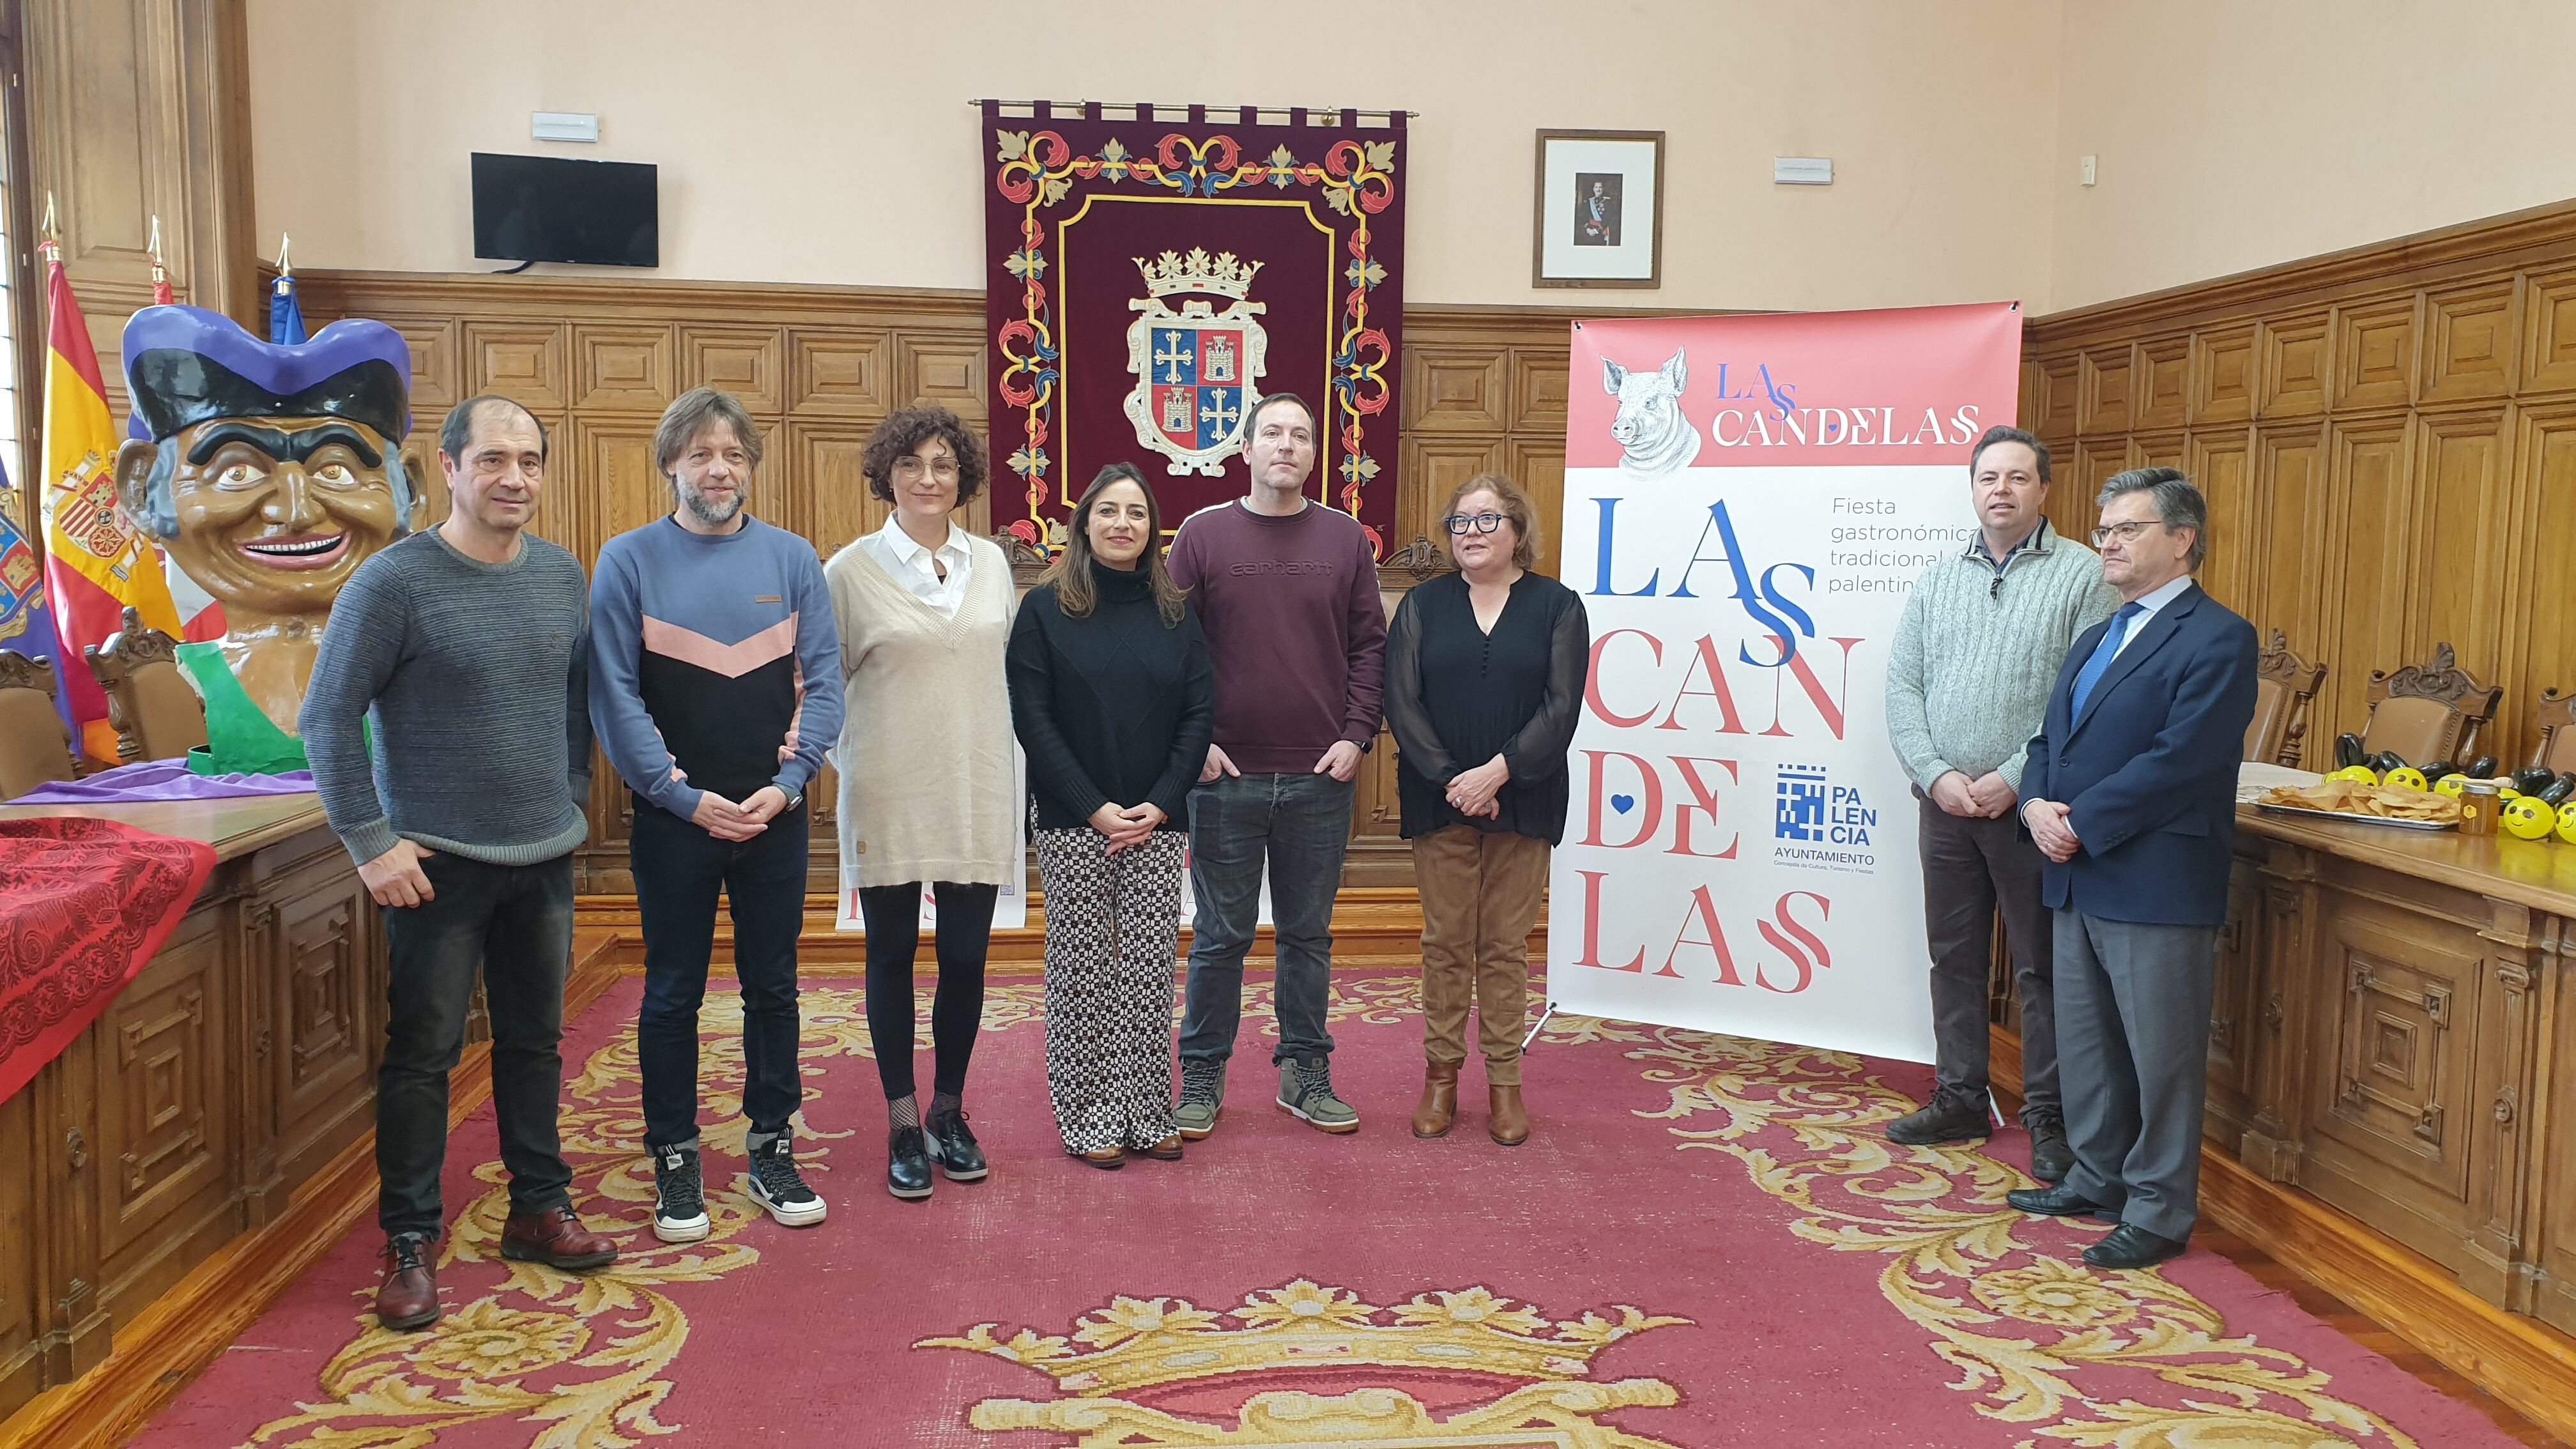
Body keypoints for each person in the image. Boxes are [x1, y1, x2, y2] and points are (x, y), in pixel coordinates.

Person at [301, 394, 612, 1332]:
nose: (513, 478)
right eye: (492, 460)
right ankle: (409, 1241)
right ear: (447, 467)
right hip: (432, 866)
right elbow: (326, 718)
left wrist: (571, 794)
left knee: (536, 1044)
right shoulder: (392, 583)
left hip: (543, 857)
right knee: (425, 1056)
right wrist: (370, 841)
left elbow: (572, 699)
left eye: (529, 461)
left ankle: (537, 1208)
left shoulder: (562, 575)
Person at [590, 387, 841, 1241]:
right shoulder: (626, 561)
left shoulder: (794, 559)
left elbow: (825, 683)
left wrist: (794, 779)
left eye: (732, 454)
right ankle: (675, 1154)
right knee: (672, 993)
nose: (718, 468)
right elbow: (615, 696)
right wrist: (680, 795)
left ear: (751, 468)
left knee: (775, 988)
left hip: (775, 816)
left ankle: (772, 1143)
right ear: (671, 466)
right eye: (700, 454)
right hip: (673, 821)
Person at [2004, 468, 2257, 1270]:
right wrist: (2035, 806)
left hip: (2153, 877)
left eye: (2127, 529)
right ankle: (2098, 1176)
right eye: (2104, 529)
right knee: (2089, 1046)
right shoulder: (2096, 635)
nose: (2107, 541)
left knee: (2161, 1056)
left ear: (2182, 540)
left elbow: (2185, 759)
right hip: (2076, 869)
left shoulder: (2220, 636)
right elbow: (2050, 741)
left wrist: (2085, 825)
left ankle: (2157, 1209)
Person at [1882, 425, 2117, 1182]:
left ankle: (2048, 1118)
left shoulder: (2085, 575)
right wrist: (1936, 771)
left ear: (2044, 489)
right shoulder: (1938, 574)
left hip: (2033, 807)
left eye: (2019, 478)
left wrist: (2018, 775)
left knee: (2042, 970)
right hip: (1943, 802)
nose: (2002, 490)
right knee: (1953, 959)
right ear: (1973, 486)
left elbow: (2085, 693)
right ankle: (1958, 1096)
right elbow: (1903, 685)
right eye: (1989, 477)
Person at [1166, 391, 1387, 1138]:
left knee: (1307, 935)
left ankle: (1305, 1073)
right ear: (1246, 449)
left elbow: (1369, 648)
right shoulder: (1201, 535)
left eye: (1300, 435)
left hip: (1321, 775)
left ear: (1314, 454)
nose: (1286, 446)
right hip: (1224, 776)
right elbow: (1173, 654)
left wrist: (1357, 737)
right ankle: (1200, 1076)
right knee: (1219, 937)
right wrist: (1194, 745)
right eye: (1272, 434)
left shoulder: (1346, 537)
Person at [825, 404, 1017, 1200]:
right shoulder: (849, 570)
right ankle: (903, 1121)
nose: (928, 478)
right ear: (888, 475)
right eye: (913, 465)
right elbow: (820, 687)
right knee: (892, 956)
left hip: (978, 785)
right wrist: (855, 766)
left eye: (943, 465)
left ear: (961, 478)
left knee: (967, 958)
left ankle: (949, 1110)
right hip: (890, 791)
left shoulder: (994, 564)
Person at [1007, 463, 1213, 1168]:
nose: (1122, 523)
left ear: (1152, 528)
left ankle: (1148, 1107)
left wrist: (1159, 803)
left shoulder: (1175, 610)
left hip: (1159, 821)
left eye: (1135, 512)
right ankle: (1089, 1112)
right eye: (1108, 512)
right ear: (1084, 524)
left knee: (1151, 971)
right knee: (1083, 970)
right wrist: (1094, 809)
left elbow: (1197, 716)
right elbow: (1033, 720)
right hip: (1073, 823)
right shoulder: (1043, 610)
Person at [113, 305, 420, 774]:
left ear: (409, 491)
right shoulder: (177, 684)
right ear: (143, 493)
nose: (295, 512)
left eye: (335, 471)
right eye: (236, 472)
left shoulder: (425, 669)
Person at [1384, 473, 1586, 1147]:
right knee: (1445, 945)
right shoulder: (1421, 605)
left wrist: (1497, 773)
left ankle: (1505, 1084)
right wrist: (1453, 781)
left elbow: (1561, 708)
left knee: (1503, 948)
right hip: (1437, 799)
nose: (1470, 534)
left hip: (1523, 799)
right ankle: (1440, 1079)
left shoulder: (1559, 607)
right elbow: (1402, 703)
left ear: (1519, 530)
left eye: (1486, 520)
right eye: (1460, 523)